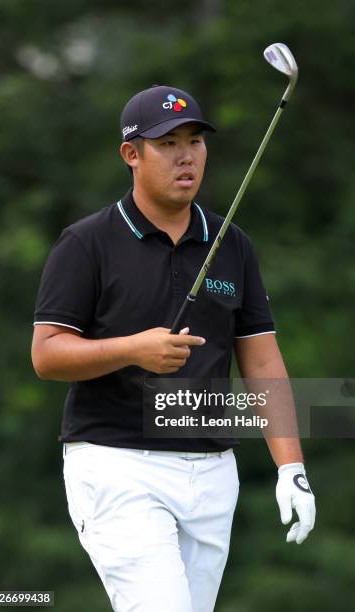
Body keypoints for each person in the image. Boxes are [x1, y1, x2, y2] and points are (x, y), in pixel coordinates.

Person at [31, 85, 316, 612]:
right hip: (117, 465)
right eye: (167, 143)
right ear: (131, 154)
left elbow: (261, 359)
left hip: (211, 471)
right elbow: (48, 354)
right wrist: (132, 349)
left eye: (195, 141)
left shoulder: (232, 244)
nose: (186, 155)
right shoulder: (87, 242)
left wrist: (290, 467)